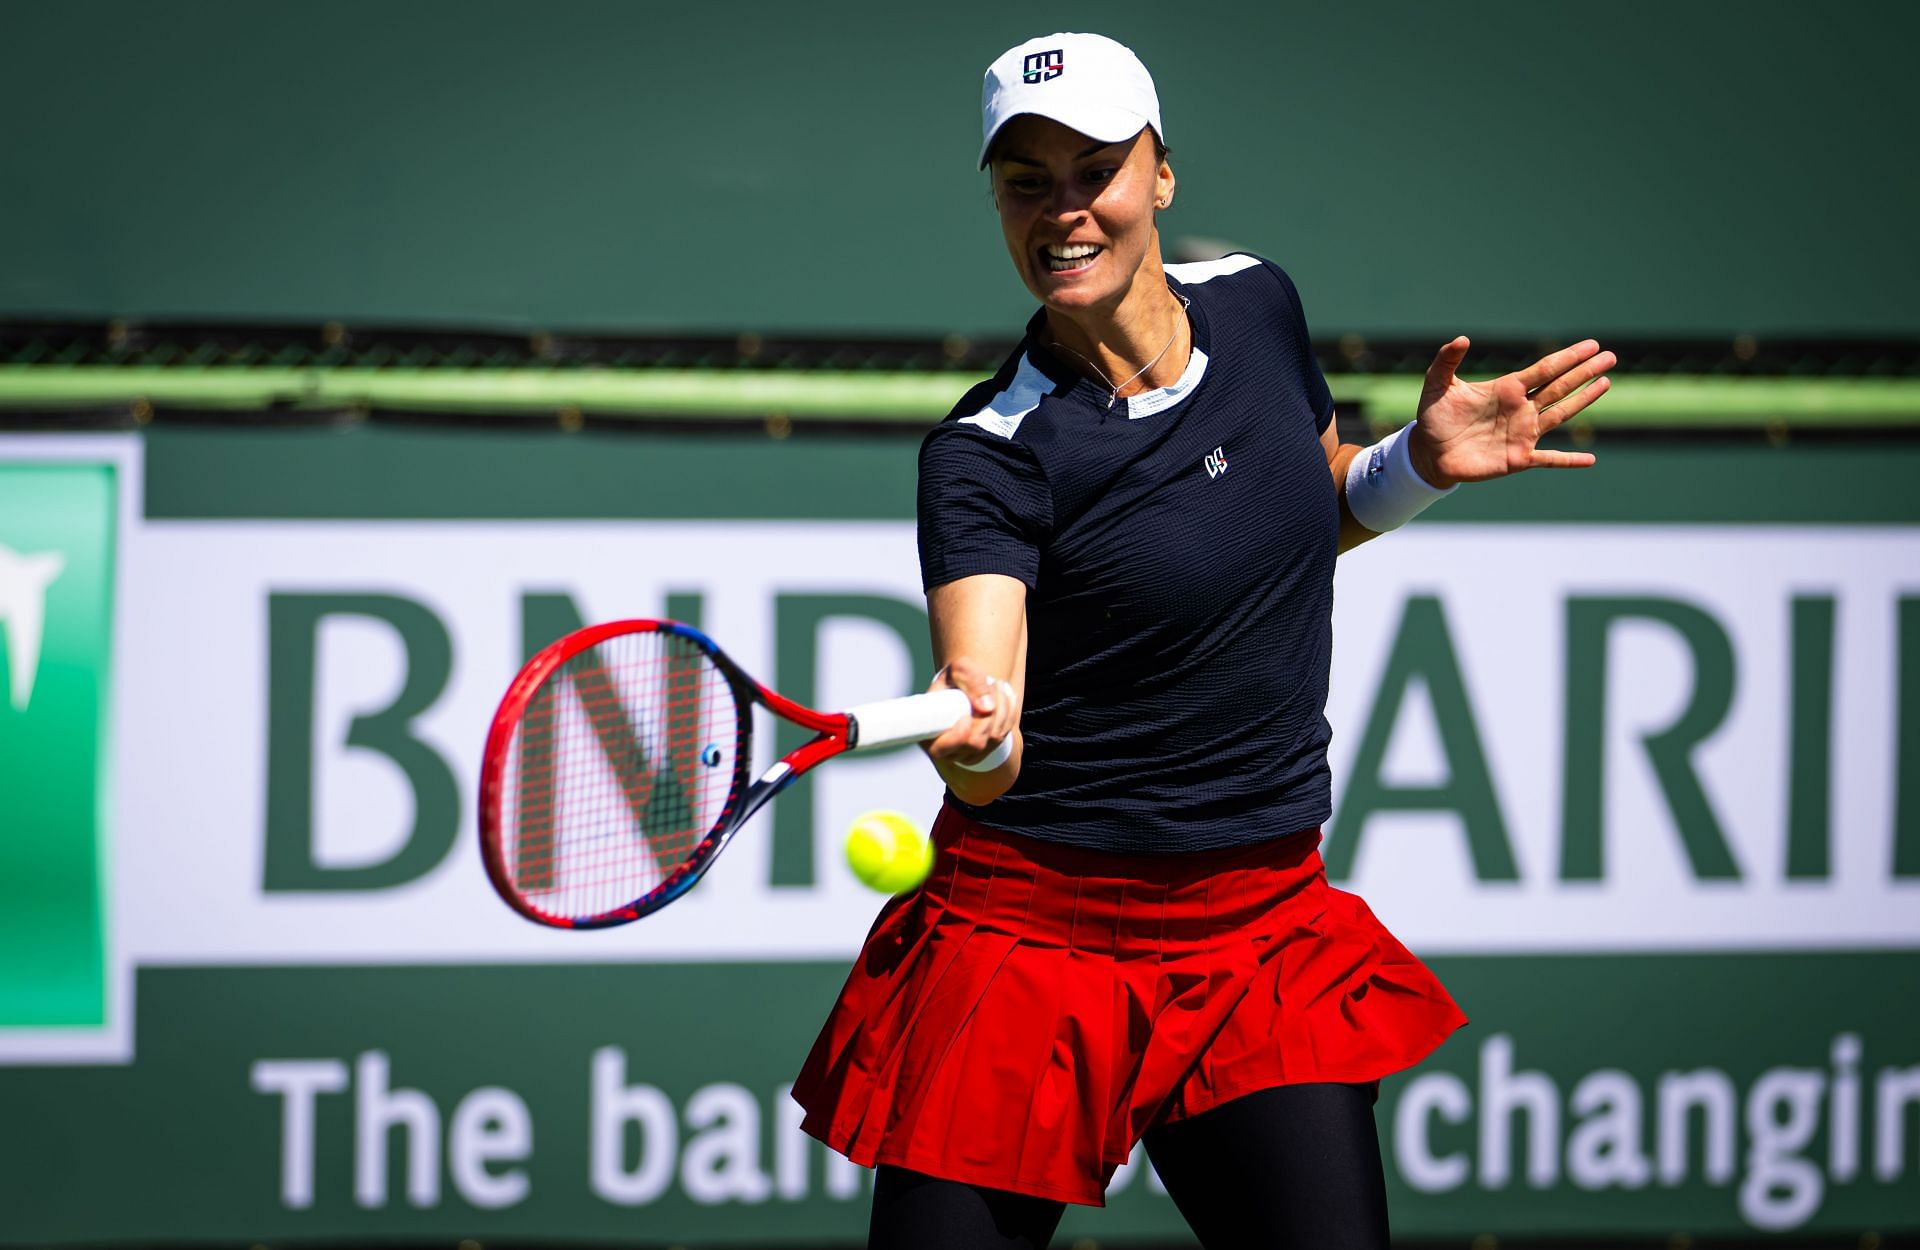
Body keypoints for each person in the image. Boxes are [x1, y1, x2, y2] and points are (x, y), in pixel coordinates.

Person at [793, 31, 1614, 1250]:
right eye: (1026, 182)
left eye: (1095, 169)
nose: (1064, 210)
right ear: (996, 202)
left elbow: (1299, 505)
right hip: (1029, 944)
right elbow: (986, 699)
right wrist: (975, 733)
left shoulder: (1258, 302)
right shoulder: (987, 455)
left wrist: (1414, 469)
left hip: (1255, 932)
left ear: (1159, 176)